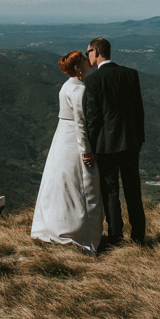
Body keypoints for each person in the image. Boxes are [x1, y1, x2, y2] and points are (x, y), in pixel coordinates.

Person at [30, 50, 104, 254]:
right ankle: (80, 233)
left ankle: (55, 226)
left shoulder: (67, 86)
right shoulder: (79, 90)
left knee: (61, 181)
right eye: (83, 59)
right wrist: (87, 150)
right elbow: (81, 121)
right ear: (78, 67)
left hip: (62, 136)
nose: (88, 60)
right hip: (73, 138)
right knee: (80, 183)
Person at [82, 37, 146, 247]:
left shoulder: (93, 81)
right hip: (130, 143)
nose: (87, 56)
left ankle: (116, 237)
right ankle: (138, 236)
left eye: (88, 52)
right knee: (133, 190)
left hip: (106, 146)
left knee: (111, 191)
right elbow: (139, 111)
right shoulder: (130, 75)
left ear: (96, 52)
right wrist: (139, 140)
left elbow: (93, 119)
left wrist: (90, 148)